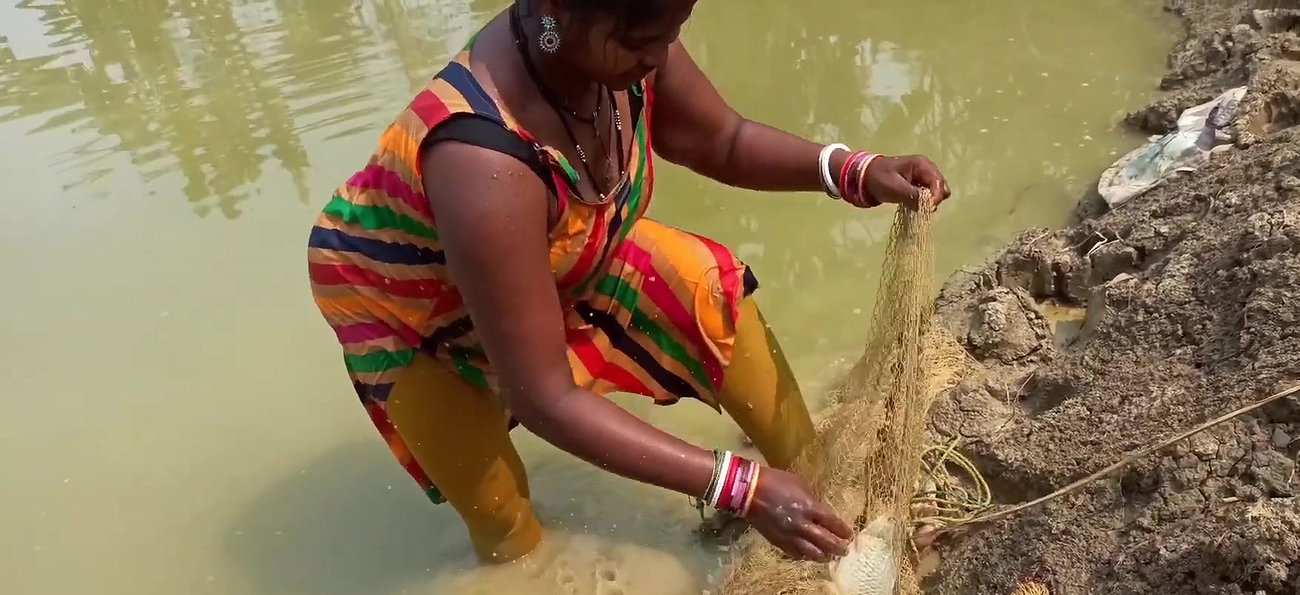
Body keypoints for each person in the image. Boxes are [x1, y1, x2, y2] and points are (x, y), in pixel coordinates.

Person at [307, 0, 950, 566]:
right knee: (506, 525)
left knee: (708, 288)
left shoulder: (622, 46)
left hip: (567, 243)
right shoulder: (480, 160)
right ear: (556, 8)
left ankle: (814, 489)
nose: (660, 57)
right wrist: (740, 487)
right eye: (643, 40)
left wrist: (854, 170)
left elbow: (722, 139)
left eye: (671, 33)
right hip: (419, 311)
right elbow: (545, 398)